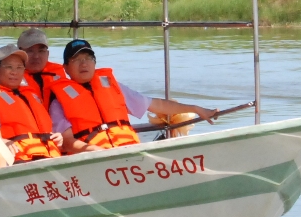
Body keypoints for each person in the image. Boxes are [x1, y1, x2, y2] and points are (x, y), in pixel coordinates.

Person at [49, 39, 219, 152]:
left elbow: (157, 105)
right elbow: (68, 142)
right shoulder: (58, 103)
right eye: (76, 60)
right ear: (65, 68)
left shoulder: (113, 88)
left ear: (95, 62)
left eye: (88, 58)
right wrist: (94, 151)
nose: (84, 63)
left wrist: (196, 109)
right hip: (94, 158)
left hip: (129, 150)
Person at [0, 42, 61, 161]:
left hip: (50, 157)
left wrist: (58, 137)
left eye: (19, 67)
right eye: (9, 67)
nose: (15, 72)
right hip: (18, 160)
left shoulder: (32, 95)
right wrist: (1, 142)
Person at [18, 27, 66, 102]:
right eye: (30, 51)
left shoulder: (58, 73)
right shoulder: (12, 77)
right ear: (19, 54)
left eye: (41, 51)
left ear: (48, 54)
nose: (36, 56)